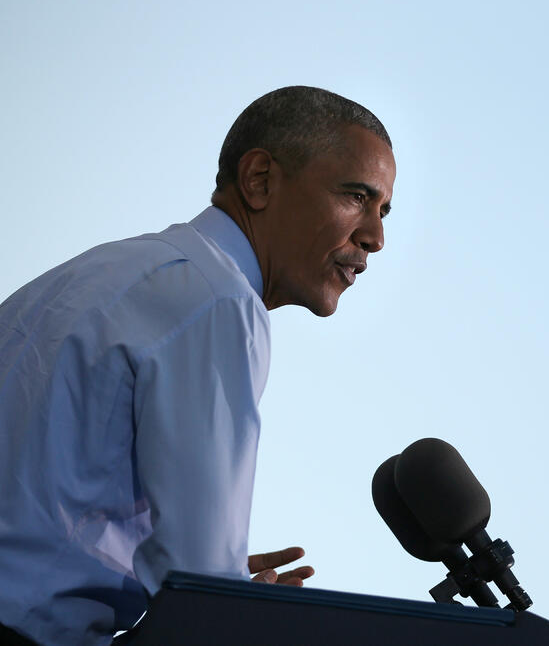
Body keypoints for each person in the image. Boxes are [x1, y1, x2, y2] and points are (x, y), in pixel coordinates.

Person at [0, 86, 396, 645]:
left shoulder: (111, 270)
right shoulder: (221, 302)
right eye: (357, 196)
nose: (375, 237)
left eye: (383, 211)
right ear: (259, 180)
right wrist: (228, 599)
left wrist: (212, 587)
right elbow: (208, 602)